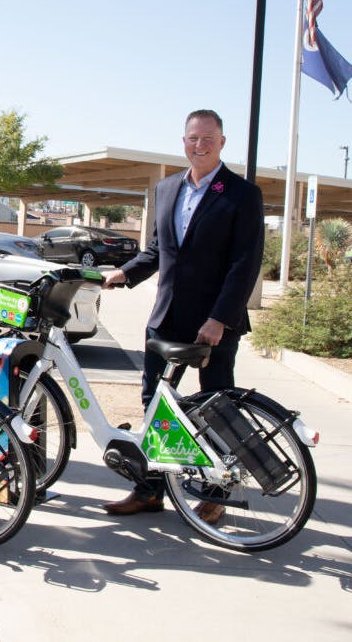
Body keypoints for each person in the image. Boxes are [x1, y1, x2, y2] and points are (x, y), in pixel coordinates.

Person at [100, 109, 264, 522]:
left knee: (216, 406)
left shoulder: (241, 193)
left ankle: (216, 492)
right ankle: (150, 489)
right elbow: (158, 250)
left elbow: (244, 264)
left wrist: (219, 318)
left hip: (214, 322)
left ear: (222, 142)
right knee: (154, 403)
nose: (199, 145)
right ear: (184, 141)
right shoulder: (167, 188)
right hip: (166, 316)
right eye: (193, 138)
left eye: (208, 138)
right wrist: (124, 273)